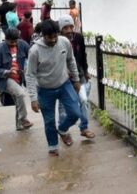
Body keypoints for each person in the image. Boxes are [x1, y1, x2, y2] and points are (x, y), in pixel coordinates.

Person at [26, 19, 95, 156]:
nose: (53, 40)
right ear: (43, 35)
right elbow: (30, 75)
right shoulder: (35, 51)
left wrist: (75, 80)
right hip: (45, 90)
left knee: (76, 113)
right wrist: (33, 98)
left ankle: (63, 130)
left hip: (64, 85)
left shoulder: (64, 42)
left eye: (55, 36)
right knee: (49, 121)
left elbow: (71, 61)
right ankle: (53, 147)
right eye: (49, 37)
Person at [0, 28, 33, 131]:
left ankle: (19, 126)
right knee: (21, 94)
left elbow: (32, 54)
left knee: (19, 101)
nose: (14, 43)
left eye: (15, 41)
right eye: (11, 41)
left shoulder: (22, 45)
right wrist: (7, 71)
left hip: (18, 78)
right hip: (3, 79)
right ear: (6, 39)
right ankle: (23, 120)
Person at [57, 16, 91, 133]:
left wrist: (85, 72)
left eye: (71, 27)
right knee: (63, 106)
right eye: (65, 28)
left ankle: (84, 127)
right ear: (61, 30)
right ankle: (63, 129)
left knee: (84, 100)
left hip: (78, 75)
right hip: (63, 78)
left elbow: (83, 55)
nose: (69, 30)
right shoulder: (57, 40)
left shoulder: (78, 38)